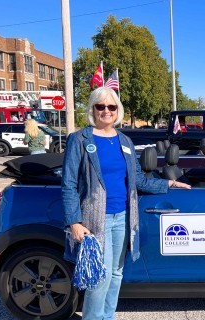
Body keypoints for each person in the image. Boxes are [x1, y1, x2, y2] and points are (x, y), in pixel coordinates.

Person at [61, 87, 190, 320]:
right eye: (101, 106)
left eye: (111, 107)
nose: (106, 111)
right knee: (99, 276)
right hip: (94, 219)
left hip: (123, 216)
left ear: (117, 110)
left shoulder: (125, 141)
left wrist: (168, 184)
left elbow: (138, 179)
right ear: (93, 109)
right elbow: (69, 184)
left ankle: (107, 317)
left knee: (117, 273)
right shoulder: (79, 139)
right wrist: (74, 221)